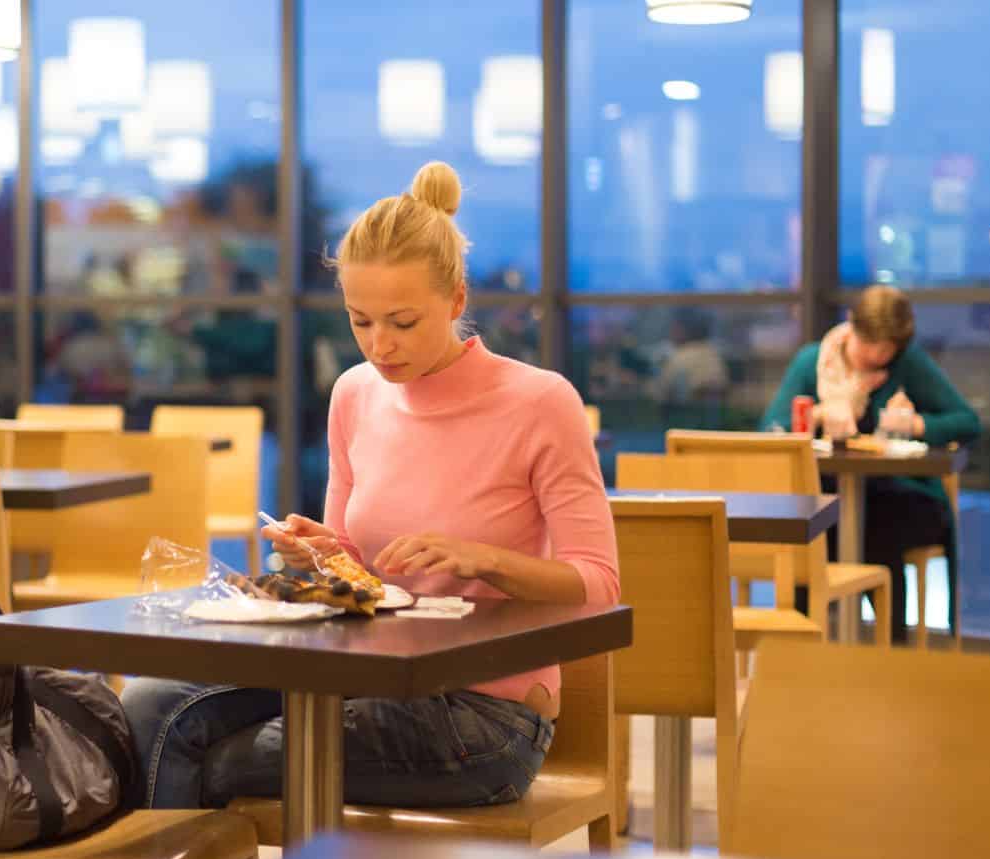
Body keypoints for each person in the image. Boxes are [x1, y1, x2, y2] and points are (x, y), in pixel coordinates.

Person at [121, 162, 621, 811]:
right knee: (148, 705)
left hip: (481, 716)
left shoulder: (540, 403)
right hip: (363, 675)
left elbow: (600, 588)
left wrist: (484, 561)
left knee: (209, 760)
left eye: (403, 322)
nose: (380, 346)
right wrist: (320, 555)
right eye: (361, 321)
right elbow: (356, 574)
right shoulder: (355, 394)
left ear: (457, 301)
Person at [759, 285, 980, 643]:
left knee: (875, 532)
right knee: (810, 536)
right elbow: (771, 430)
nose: (877, 356)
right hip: (831, 500)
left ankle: (889, 653)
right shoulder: (814, 363)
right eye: (869, 344)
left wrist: (914, 424)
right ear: (851, 327)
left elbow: (967, 422)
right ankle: (802, 652)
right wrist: (819, 414)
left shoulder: (907, 365)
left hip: (904, 497)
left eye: (887, 349)